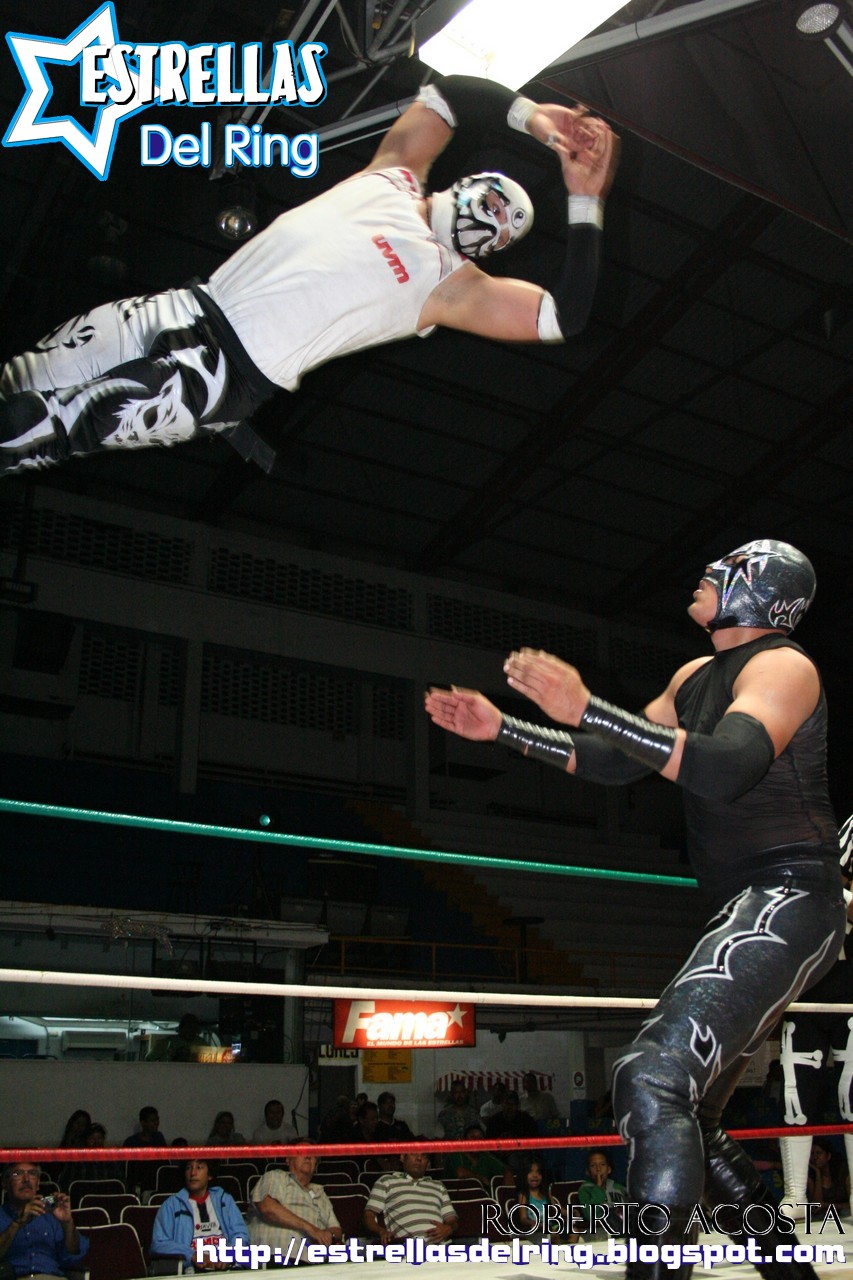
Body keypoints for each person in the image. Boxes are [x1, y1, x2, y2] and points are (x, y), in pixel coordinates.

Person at [425, 537, 844, 1280]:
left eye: (725, 567)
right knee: (691, 1120)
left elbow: (728, 765)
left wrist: (589, 706)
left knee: (650, 1078)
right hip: (743, 905)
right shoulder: (692, 676)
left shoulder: (783, 666)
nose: (706, 572)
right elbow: (620, 758)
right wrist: (508, 729)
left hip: (791, 896)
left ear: (757, 587)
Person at [0, 75, 618, 478]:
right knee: (24, 376)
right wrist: (537, 119)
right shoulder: (393, 173)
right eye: (496, 205)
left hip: (225, 375)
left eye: (506, 231)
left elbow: (563, 315)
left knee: (37, 429)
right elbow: (451, 95)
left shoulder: (450, 287)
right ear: (467, 183)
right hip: (188, 305)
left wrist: (585, 200)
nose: (493, 223)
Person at [778, 813, 853, 1213]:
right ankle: (795, 1195)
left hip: (849, 994)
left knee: (852, 1095)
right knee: (795, 1094)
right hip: (807, 991)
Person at [150, 1157, 249, 1272]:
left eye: (199, 1167)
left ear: (209, 1175)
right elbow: (158, 1244)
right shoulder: (171, 1205)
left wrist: (230, 1253)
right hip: (190, 1271)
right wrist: (191, 1255)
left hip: (225, 1270)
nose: (193, 1173)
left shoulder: (225, 1200)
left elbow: (241, 1234)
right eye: (188, 1168)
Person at [0, 1162, 89, 1278]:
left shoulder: (51, 1216)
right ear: (5, 1184)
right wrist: (17, 1223)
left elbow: (74, 1256)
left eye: (32, 1173)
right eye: (17, 1173)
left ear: (37, 1184)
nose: (26, 1179)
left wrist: (67, 1223)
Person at [249, 1151, 341, 1255]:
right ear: (288, 1160)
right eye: (301, 1151)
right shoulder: (276, 1176)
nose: (308, 1156)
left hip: (313, 1260)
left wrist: (329, 1235)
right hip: (275, 1256)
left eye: (312, 1154)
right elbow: (268, 1207)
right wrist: (312, 1230)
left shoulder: (320, 1192)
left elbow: (336, 1229)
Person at [364, 1152, 457, 1244]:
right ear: (402, 1157)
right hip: (408, 1246)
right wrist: (381, 1231)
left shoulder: (438, 1185)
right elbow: (369, 1215)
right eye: (414, 1154)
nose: (419, 1158)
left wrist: (449, 1228)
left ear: (428, 1162)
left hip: (442, 1246)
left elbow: (452, 1220)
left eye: (424, 1155)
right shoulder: (386, 1181)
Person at [573, 1148, 627, 1239]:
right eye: (593, 1166)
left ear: (609, 1169)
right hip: (600, 1231)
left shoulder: (618, 1188)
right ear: (587, 1172)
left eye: (602, 1165)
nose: (598, 1169)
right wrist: (598, 1187)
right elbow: (590, 1215)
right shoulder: (585, 1189)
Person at [443, 1123, 514, 1191]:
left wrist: (508, 1176)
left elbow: (506, 1169)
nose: (477, 1140)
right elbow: (461, 1173)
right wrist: (481, 1178)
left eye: (480, 1137)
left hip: (483, 1197)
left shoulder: (485, 1156)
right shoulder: (457, 1154)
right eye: (472, 1137)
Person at [514, 1157, 560, 1235]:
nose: (535, 1175)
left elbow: (557, 1209)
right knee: (553, 1234)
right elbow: (523, 1218)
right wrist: (533, 1223)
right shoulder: (523, 1195)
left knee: (573, 1230)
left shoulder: (545, 1193)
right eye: (530, 1172)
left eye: (538, 1172)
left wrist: (572, 1213)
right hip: (536, 1231)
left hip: (550, 1227)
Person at [805, 1138, 849, 1212]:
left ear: (828, 1156)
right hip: (822, 1215)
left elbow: (851, 1204)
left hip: (845, 1213)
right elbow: (816, 1206)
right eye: (812, 1154)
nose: (815, 1157)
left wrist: (826, 1205)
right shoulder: (811, 1177)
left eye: (819, 1153)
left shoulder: (843, 1171)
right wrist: (818, 1173)